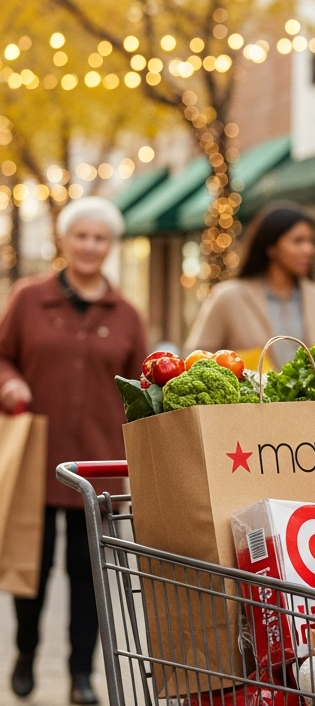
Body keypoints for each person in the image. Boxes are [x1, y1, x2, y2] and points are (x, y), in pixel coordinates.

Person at [0, 197, 147, 705]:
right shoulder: (27, 299)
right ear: (65, 241)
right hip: (37, 460)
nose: (90, 246)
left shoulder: (128, 315)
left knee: (90, 580)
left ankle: (82, 674)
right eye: (81, 236)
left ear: (111, 245)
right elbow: (1, 357)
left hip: (100, 469)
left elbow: (144, 391)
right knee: (31, 571)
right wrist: (10, 383)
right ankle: (24, 654)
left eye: (100, 238)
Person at [185, 205, 315, 367]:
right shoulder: (228, 298)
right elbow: (195, 361)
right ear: (271, 247)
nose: (309, 249)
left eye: (310, 241)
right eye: (298, 241)